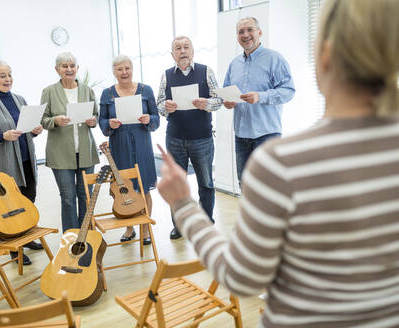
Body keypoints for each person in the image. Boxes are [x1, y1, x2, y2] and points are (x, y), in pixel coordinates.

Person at [157, 0, 399, 326]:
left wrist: (183, 204)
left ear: (325, 57)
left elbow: (241, 278)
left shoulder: (282, 165)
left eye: (248, 30)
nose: (244, 35)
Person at [0, 59, 44, 266]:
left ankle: (28, 237)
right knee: (12, 206)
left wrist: (35, 131)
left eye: (10, 74)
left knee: (28, 198)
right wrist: (2, 136)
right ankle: (16, 249)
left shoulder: (19, 99)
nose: (8, 79)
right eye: (3, 75)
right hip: (6, 166)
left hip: (27, 160)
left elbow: (25, 130)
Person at [157, 36, 222, 239]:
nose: (182, 51)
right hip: (175, 139)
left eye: (186, 47)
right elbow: (159, 104)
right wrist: (165, 108)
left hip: (202, 138)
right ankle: (179, 225)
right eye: (178, 48)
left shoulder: (206, 71)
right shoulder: (167, 76)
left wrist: (207, 104)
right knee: (177, 185)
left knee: (206, 184)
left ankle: (206, 222)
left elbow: (219, 100)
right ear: (172, 54)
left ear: (192, 51)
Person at [223, 17, 295, 184]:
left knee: (268, 187)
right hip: (241, 136)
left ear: (260, 33)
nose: (245, 34)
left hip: (267, 135)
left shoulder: (275, 58)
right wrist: (227, 101)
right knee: (245, 185)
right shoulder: (234, 64)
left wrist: (260, 96)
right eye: (241, 31)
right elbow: (226, 92)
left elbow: (288, 91)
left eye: (250, 30)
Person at [99, 54, 159, 245]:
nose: (124, 72)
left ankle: (145, 229)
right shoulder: (107, 93)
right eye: (119, 69)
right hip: (119, 145)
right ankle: (129, 228)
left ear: (132, 69)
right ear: (114, 72)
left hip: (142, 143)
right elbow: (102, 121)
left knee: (144, 188)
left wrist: (150, 119)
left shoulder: (145, 90)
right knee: (123, 187)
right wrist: (109, 124)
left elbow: (156, 117)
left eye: (127, 68)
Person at [40, 52, 99, 233]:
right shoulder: (49, 91)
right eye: (65, 66)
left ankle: (85, 236)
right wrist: (55, 121)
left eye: (72, 66)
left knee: (85, 195)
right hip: (60, 153)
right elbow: (42, 120)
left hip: (85, 151)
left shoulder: (87, 90)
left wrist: (93, 121)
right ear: (57, 69)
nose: (69, 69)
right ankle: (71, 238)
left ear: (77, 68)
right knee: (67, 197)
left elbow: (96, 116)